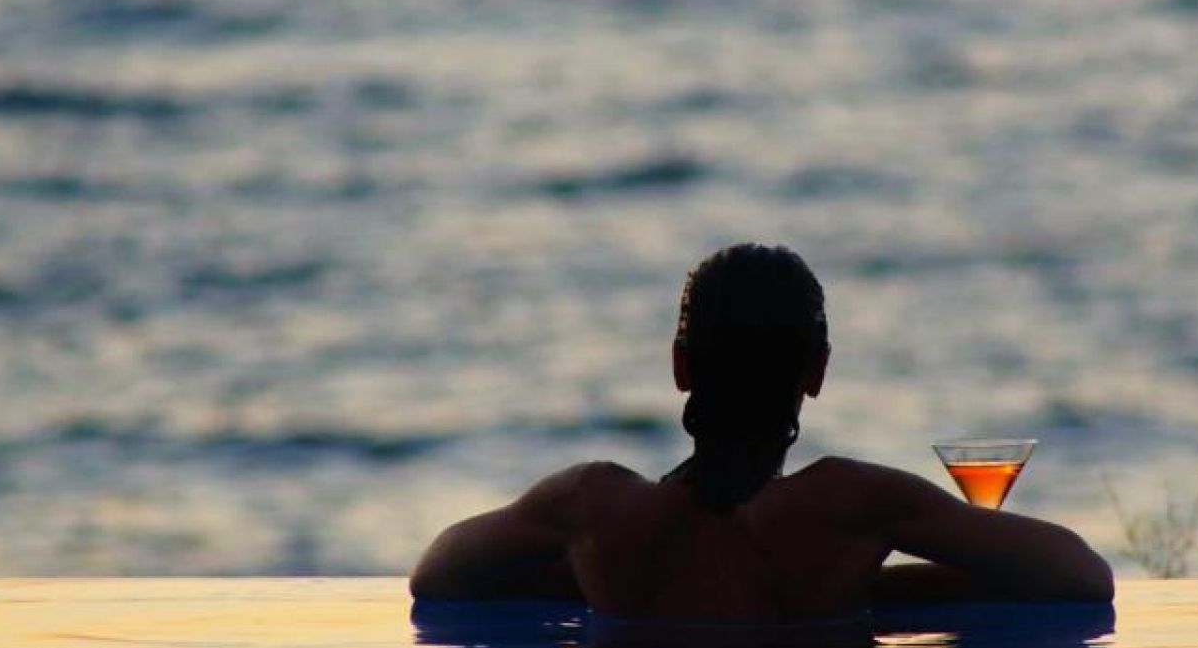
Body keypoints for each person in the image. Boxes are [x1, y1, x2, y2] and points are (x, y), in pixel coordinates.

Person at [409, 243, 1113, 618]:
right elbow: (1081, 576)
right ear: (817, 371)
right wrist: (873, 589)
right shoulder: (851, 508)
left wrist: (585, 579)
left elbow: (438, 575)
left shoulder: (594, 510)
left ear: (681, 367)